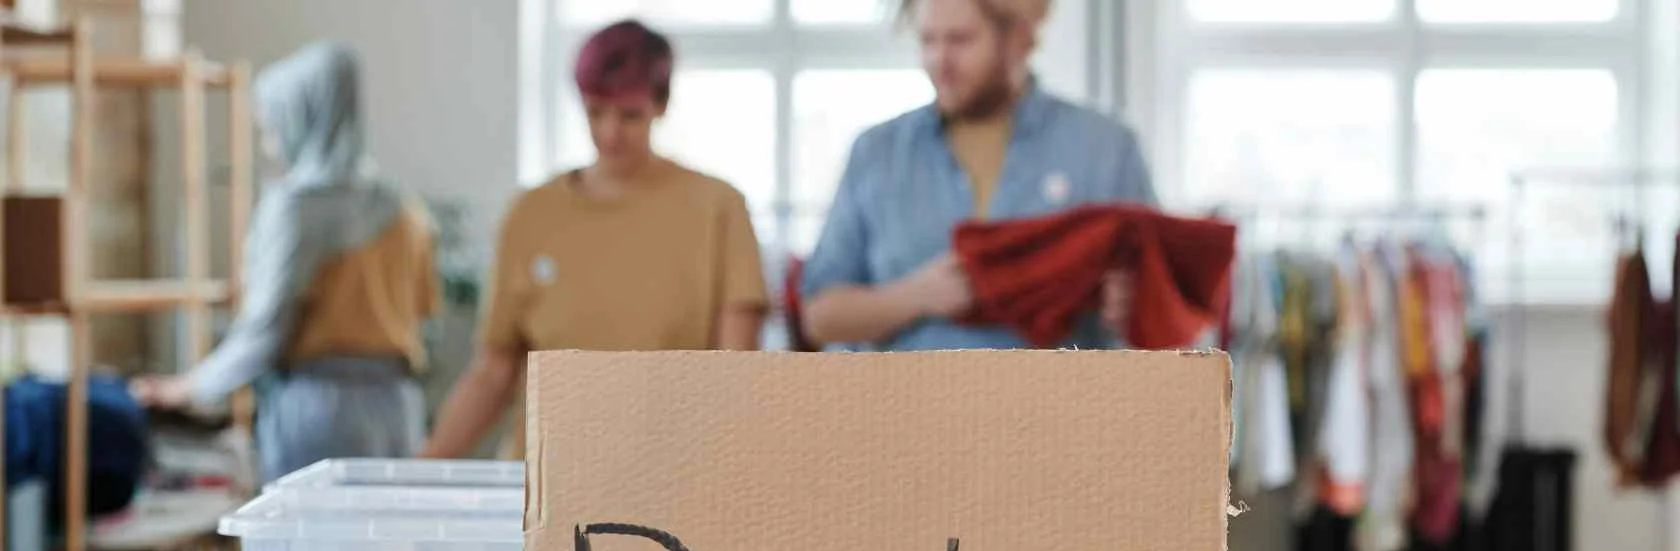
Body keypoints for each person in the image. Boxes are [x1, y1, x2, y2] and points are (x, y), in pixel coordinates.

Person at [420, 19, 769, 460]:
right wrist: (422, 467)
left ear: (661, 104)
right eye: (595, 112)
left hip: (670, 472)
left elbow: (734, 373)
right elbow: (494, 371)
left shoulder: (718, 208)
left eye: (629, 115)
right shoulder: (531, 213)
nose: (610, 133)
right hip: (548, 473)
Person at [131, 42, 437, 484]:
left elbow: (266, 330)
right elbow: (425, 311)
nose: (270, 145)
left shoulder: (297, 208)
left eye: (273, 129)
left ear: (303, 116)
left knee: (312, 528)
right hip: (396, 410)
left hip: (318, 414)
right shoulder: (405, 209)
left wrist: (188, 388)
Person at [801, 0, 1157, 350]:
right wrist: (917, 296)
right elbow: (819, 316)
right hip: (909, 388)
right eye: (928, 40)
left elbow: (1163, 301)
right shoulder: (877, 154)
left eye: (960, 40)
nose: (939, 61)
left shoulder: (1106, 150)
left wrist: (1134, 303)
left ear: (1018, 39)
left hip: (1065, 387)